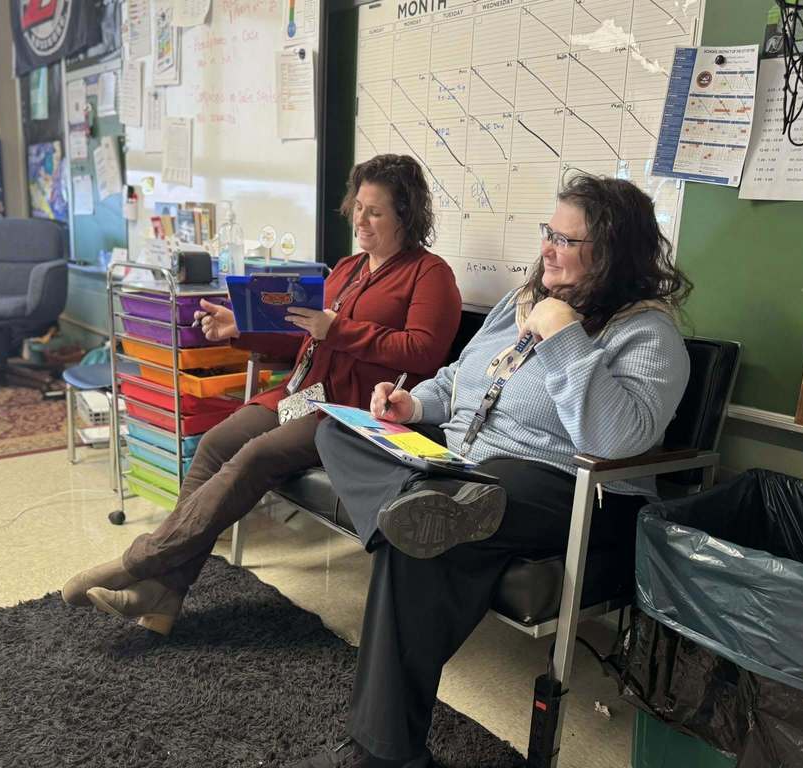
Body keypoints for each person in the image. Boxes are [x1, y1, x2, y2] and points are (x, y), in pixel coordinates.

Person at [291, 174, 692, 767]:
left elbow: (613, 440)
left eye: (566, 239)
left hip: (569, 488)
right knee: (337, 430)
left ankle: (381, 755)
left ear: (609, 254)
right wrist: (416, 404)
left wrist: (564, 339)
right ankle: (426, 503)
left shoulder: (648, 333)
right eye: (548, 232)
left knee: (430, 531)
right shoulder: (519, 301)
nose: (548, 248)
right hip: (464, 469)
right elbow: (461, 376)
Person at [62, 154, 461, 635]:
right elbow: (304, 336)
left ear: (406, 214)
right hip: (303, 395)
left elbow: (422, 352)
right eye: (357, 207)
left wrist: (340, 329)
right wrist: (241, 328)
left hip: (356, 413)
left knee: (253, 458)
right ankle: (165, 593)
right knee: (214, 444)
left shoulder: (430, 274)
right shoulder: (350, 269)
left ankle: (141, 562)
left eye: (374, 212)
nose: (360, 220)